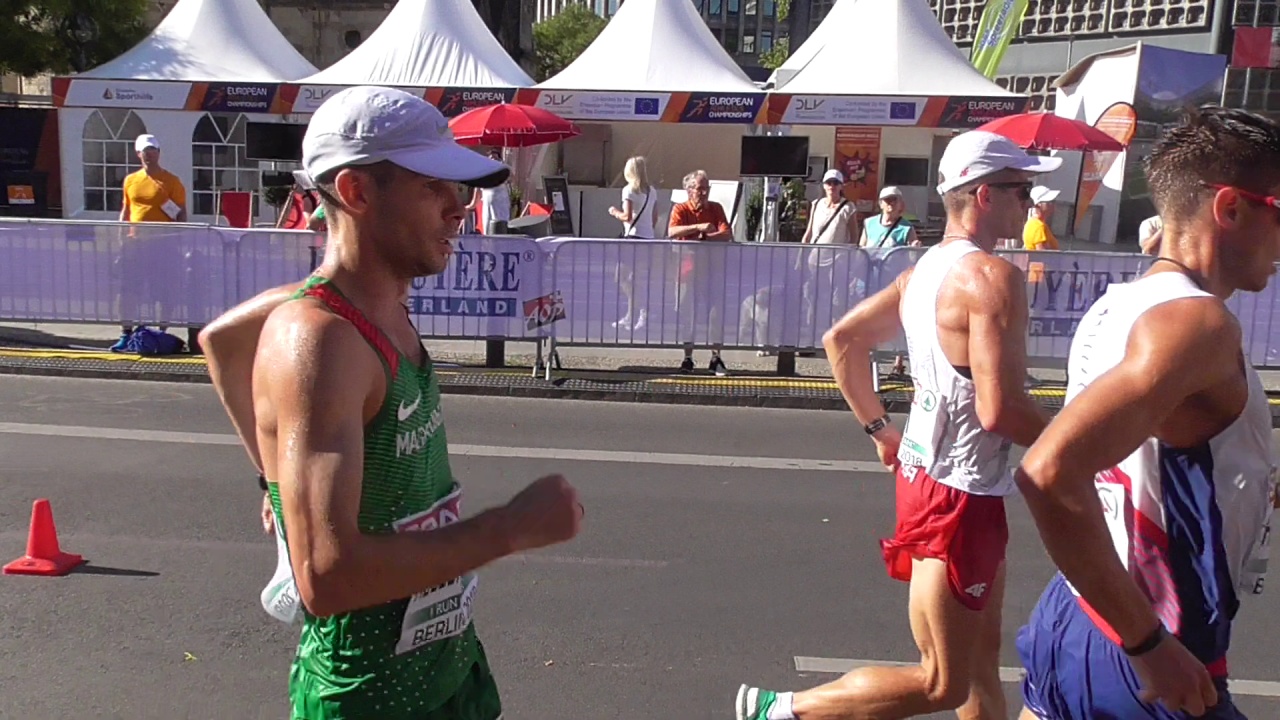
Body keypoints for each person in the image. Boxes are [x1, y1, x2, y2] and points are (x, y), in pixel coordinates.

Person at [201, 86, 585, 720]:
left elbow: (221, 340)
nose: (459, 208)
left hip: (445, 665)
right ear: (355, 192)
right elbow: (328, 577)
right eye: (433, 187)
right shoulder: (318, 338)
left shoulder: (371, 305)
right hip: (372, 695)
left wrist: (274, 479)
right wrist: (509, 528)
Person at [735, 130, 1061, 720]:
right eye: (1022, 189)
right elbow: (1000, 410)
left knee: (979, 660)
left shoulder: (925, 269)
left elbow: (842, 340)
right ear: (985, 195)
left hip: (930, 475)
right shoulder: (991, 277)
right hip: (960, 491)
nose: (1031, 201)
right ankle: (783, 711)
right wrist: (1087, 441)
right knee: (943, 682)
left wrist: (879, 430)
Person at [1015, 106, 1280, 720]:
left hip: (1078, 608)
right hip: (1154, 634)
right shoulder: (1197, 324)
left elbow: (1154, 453)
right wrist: (1149, 645)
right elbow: (1048, 472)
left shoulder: (1120, 303)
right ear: (1231, 208)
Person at [113, 133, 187, 352]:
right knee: (128, 291)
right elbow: (126, 209)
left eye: (153, 150)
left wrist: (179, 237)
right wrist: (121, 236)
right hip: (135, 244)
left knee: (164, 291)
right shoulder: (130, 180)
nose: (150, 155)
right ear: (139, 154)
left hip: (163, 245)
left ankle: (161, 333)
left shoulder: (172, 181)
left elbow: (181, 212)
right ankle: (126, 333)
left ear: (159, 153)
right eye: (146, 151)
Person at [668, 169, 733, 375]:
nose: (704, 193)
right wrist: (699, 227)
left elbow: (726, 233)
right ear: (689, 190)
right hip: (686, 273)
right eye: (699, 188)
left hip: (713, 271)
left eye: (706, 188)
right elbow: (672, 231)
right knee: (687, 315)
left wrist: (705, 238)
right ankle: (687, 358)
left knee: (715, 315)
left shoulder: (716, 208)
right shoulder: (680, 209)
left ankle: (716, 358)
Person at [608, 155, 660, 331]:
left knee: (621, 277)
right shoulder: (651, 191)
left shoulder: (629, 190)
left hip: (633, 239)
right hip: (648, 238)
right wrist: (648, 230)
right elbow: (654, 218)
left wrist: (614, 212)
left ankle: (643, 311)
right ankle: (632, 315)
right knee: (635, 280)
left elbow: (627, 216)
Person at [465, 149, 511, 234]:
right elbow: (476, 197)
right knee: (487, 230)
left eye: (495, 158)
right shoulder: (483, 175)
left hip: (500, 208)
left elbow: (509, 176)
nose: (492, 160)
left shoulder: (502, 173)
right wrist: (469, 206)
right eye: (490, 158)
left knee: (499, 230)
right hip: (487, 208)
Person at [1023, 186, 1060, 251]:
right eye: (1049, 202)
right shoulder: (1039, 226)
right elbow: (1042, 254)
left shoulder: (1032, 223)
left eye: (1053, 201)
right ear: (1038, 204)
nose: (1053, 204)